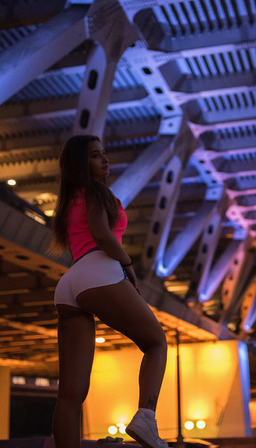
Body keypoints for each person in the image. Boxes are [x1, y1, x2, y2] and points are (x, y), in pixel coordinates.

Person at [50, 135, 168, 448]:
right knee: (156, 343)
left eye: (104, 154)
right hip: (99, 271)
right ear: (80, 163)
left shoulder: (68, 200)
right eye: (95, 156)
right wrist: (128, 264)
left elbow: (82, 244)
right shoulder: (98, 193)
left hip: (70, 284)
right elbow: (102, 234)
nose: (105, 160)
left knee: (70, 392)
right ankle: (146, 418)